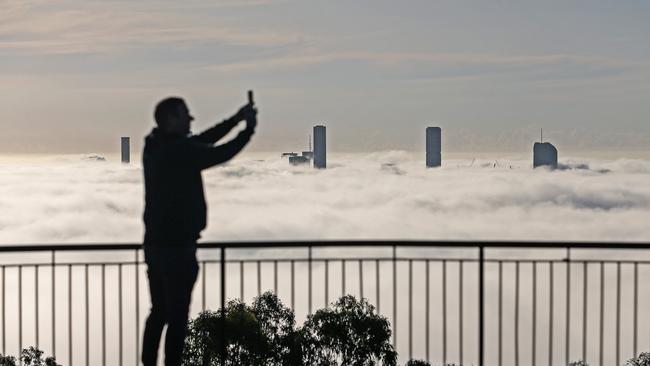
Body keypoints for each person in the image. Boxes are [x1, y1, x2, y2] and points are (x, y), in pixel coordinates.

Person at [141, 96, 257, 366]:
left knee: (159, 312)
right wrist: (247, 129)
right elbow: (218, 152)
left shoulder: (155, 146)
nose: (191, 119)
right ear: (171, 119)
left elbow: (203, 140)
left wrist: (236, 119)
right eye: (185, 115)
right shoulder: (178, 152)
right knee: (178, 316)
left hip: (155, 246)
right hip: (178, 248)